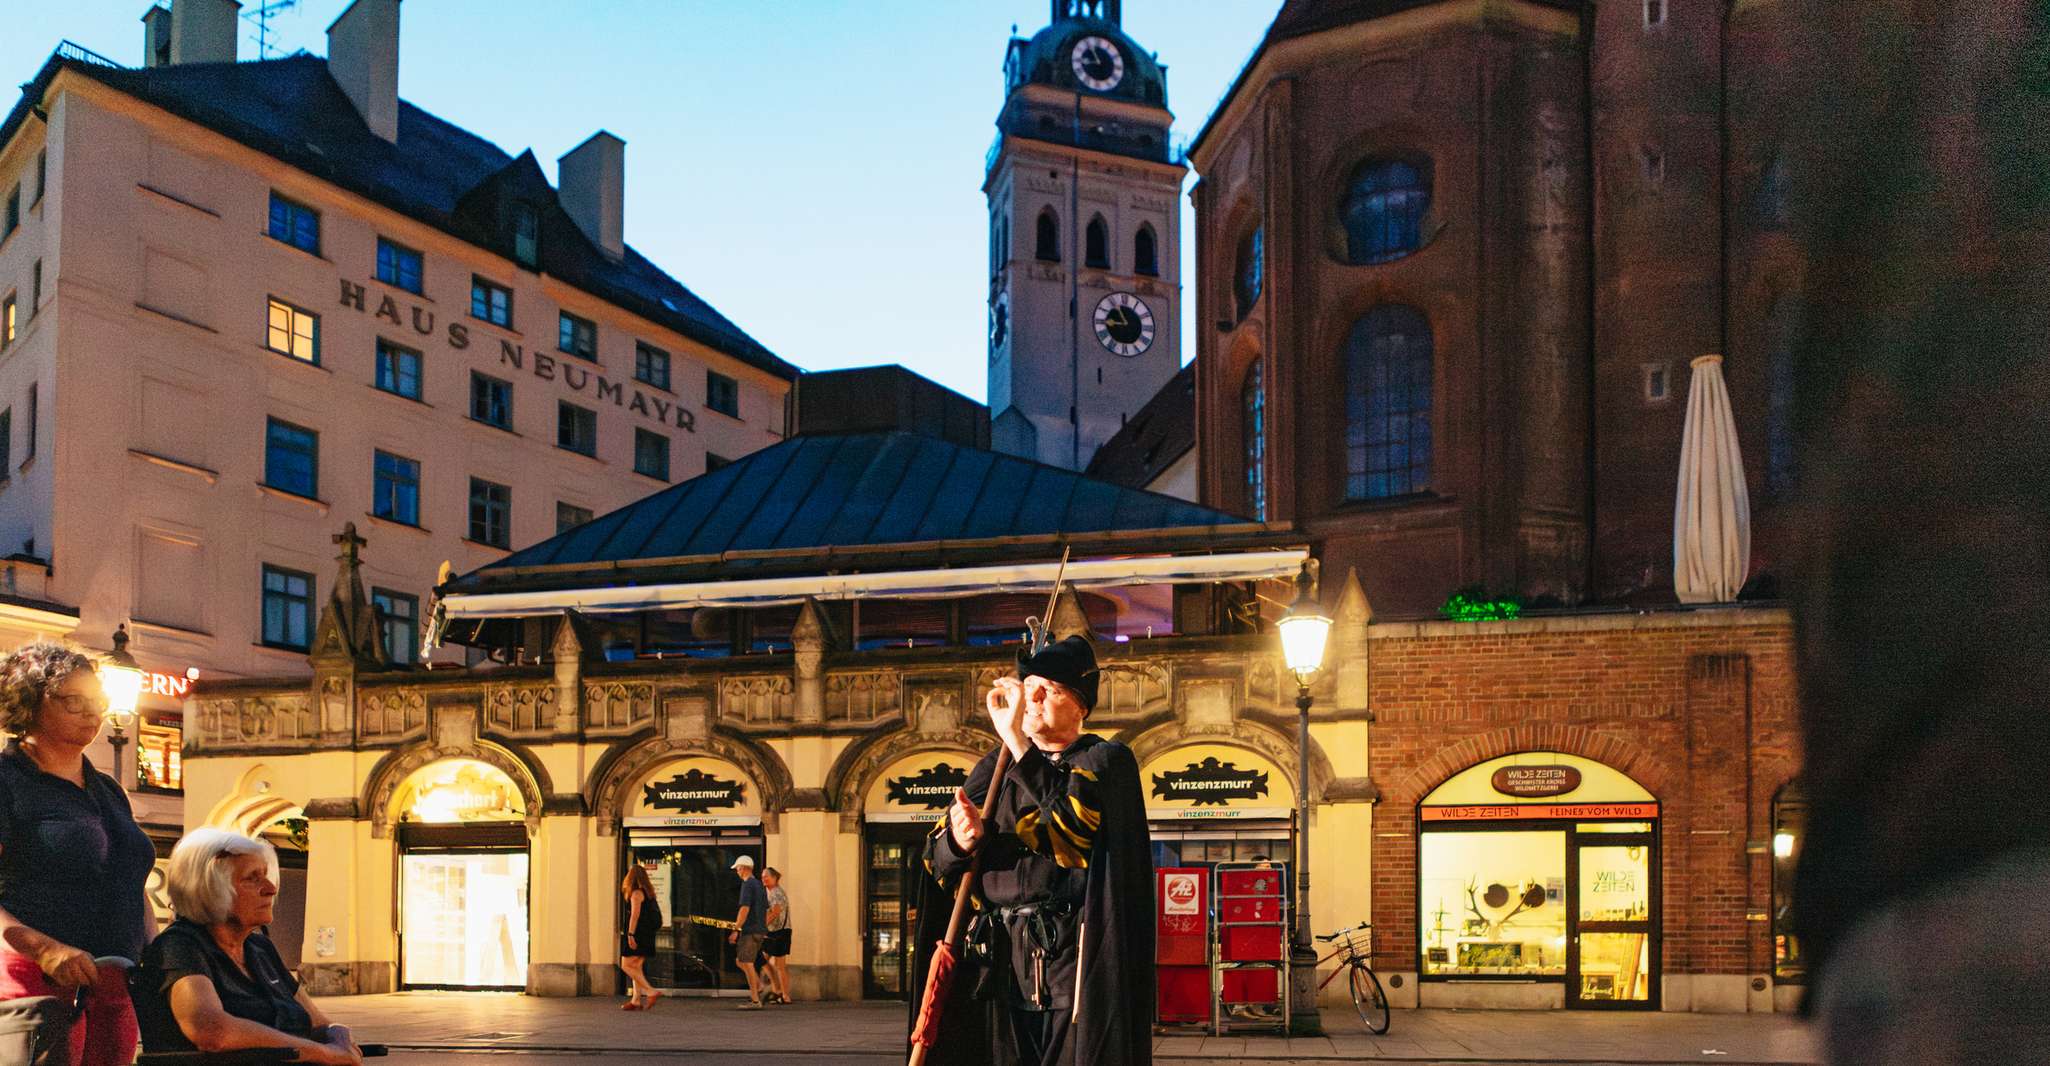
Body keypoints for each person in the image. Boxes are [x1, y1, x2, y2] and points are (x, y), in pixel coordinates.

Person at [908, 635, 1154, 1066]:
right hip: (994, 966)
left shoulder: (1103, 761)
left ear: (1081, 705)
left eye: (1052, 690)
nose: (1034, 698)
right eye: (1031, 687)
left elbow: (1072, 838)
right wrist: (959, 840)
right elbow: (933, 858)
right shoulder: (994, 766)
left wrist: (1020, 746)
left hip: (1070, 970)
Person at [0, 641, 155, 1066]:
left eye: (98, 701)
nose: (93, 713)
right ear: (28, 701)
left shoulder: (107, 789)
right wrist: (45, 949)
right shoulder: (8, 781)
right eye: (75, 701)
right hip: (34, 989)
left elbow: (130, 882)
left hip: (114, 988)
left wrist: (156, 957)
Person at [132, 829, 360, 1065]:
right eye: (252, 878)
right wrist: (319, 1053)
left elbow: (319, 1024)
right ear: (208, 888)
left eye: (266, 875)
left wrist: (337, 1032)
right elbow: (211, 1032)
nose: (270, 888)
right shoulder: (179, 947)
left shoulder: (258, 948)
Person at [725, 854, 769, 1009]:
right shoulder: (759, 885)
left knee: (746, 963)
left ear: (743, 868)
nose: (737, 871)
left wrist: (735, 929)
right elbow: (765, 909)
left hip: (750, 930)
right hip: (759, 930)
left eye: (737, 868)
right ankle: (759, 985)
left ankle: (755, 999)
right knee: (741, 960)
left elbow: (744, 908)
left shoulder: (747, 885)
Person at [618, 862, 662, 1010]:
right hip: (648, 934)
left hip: (638, 934)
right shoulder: (649, 892)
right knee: (636, 967)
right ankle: (636, 1000)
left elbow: (635, 915)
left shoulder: (636, 893)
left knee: (625, 964)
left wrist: (630, 934)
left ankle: (651, 991)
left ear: (630, 877)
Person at [759, 867, 791, 1005]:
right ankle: (778, 991)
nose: (764, 879)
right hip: (775, 932)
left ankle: (783, 994)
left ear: (775, 878)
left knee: (778, 965)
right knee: (763, 960)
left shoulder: (776, 893)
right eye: (762, 877)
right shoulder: (771, 892)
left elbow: (776, 911)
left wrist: (762, 925)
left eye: (766, 876)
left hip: (779, 932)